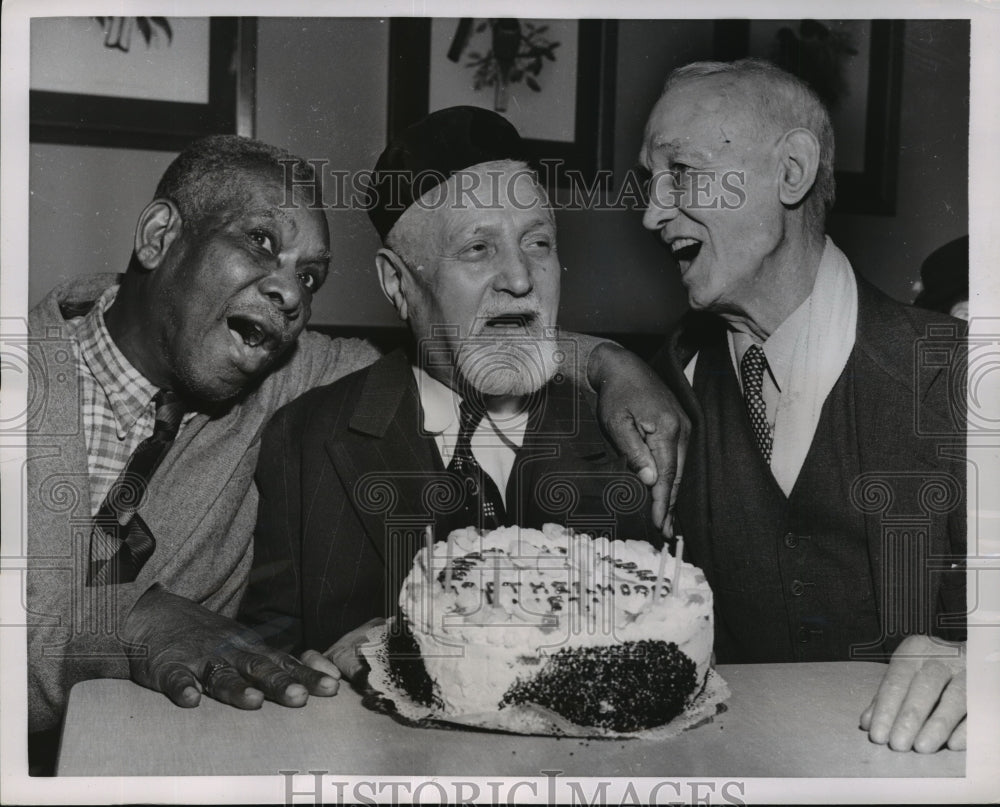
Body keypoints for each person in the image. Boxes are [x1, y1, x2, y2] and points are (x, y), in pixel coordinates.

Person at [24, 134, 687, 771]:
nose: (290, 295)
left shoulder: (278, 372)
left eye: (310, 278)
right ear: (159, 237)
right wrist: (133, 620)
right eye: (261, 243)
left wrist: (608, 361)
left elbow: (445, 340)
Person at [239, 106, 660, 676]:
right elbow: (267, 654)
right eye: (477, 249)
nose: (519, 279)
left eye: (538, 243)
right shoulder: (307, 440)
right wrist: (321, 673)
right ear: (398, 283)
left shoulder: (627, 435)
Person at [639, 59, 967, 753]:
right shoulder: (664, 385)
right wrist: (598, 361)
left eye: (681, 173)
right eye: (649, 183)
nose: (652, 212)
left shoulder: (964, 373)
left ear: (791, 172)